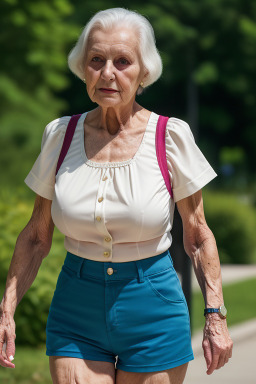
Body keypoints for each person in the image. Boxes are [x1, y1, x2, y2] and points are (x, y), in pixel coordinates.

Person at [0, 7, 233, 384]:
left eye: (122, 61)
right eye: (96, 60)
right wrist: (6, 309)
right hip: (76, 306)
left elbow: (198, 236)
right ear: (83, 68)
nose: (108, 72)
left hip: (153, 306)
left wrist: (215, 316)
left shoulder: (170, 137)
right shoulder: (59, 136)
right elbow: (36, 235)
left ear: (144, 71)